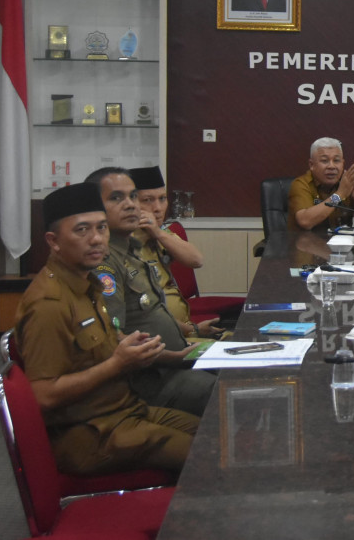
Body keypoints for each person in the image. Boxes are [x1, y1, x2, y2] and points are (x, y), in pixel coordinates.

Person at [15, 183, 199, 476]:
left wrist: (169, 356)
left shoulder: (88, 283)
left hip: (124, 411)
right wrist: (116, 365)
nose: (96, 239)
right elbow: (42, 395)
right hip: (89, 433)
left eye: (101, 228)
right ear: (53, 241)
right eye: (82, 230)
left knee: (217, 432)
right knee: (211, 456)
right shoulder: (49, 304)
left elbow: (110, 342)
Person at [87, 168, 216, 416]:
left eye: (134, 197)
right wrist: (175, 356)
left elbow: (194, 261)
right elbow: (114, 337)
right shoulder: (104, 262)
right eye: (117, 198)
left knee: (251, 369)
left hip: (177, 358)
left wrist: (190, 336)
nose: (131, 205)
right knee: (235, 391)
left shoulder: (133, 248)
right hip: (153, 381)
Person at [128, 166, 225, 338]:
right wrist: (193, 330)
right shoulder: (124, 243)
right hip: (159, 335)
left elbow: (196, 260)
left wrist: (158, 233)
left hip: (183, 329)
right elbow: (143, 315)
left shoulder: (161, 234)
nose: (157, 208)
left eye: (162, 199)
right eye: (147, 200)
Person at [288, 137, 354, 231]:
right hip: (307, 244)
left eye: (336, 161)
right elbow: (305, 221)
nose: (331, 166)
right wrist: (339, 194)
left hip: (343, 243)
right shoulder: (301, 184)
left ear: (343, 163)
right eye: (324, 161)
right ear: (311, 165)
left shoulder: (348, 182)